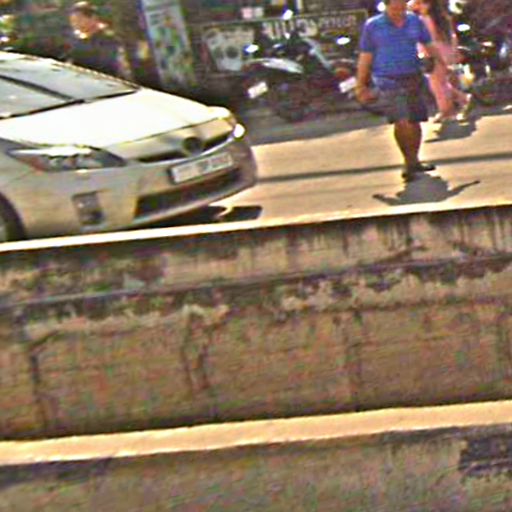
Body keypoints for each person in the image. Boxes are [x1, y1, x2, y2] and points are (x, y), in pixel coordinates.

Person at [356, 0, 448, 180]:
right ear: (386, 6)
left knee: (415, 120)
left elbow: (429, 44)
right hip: (387, 78)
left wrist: (443, 64)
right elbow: (366, 55)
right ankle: (408, 162)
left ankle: (415, 160)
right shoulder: (373, 26)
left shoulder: (414, 21)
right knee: (401, 120)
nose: (399, 12)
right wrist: (361, 84)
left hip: (413, 75)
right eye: (395, 8)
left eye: (402, 7)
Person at [414, 0, 472, 123]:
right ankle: (456, 103)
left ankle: (451, 107)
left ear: (428, 5)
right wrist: (454, 50)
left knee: (437, 84)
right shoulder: (443, 18)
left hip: (432, 53)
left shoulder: (423, 20)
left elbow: (426, 40)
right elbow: (452, 36)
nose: (417, 6)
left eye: (420, 4)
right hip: (446, 50)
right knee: (443, 82)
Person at [67, 1, 121, 77]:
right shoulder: (75, 38)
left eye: (79, 20)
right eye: (73, 21)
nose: (76, 25)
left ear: (93, 18)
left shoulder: (107, 39)